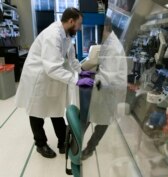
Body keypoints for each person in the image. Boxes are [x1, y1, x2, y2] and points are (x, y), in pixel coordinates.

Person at [15, 8, 94, 159]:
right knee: (37, 112)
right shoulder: (53, 35)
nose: (79, 27)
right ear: (71, 21)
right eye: (79, 24)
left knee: (55, 108)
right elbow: (52, 67)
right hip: (38, 77)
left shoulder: (67, 34)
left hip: (50, 76)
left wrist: (81, 71)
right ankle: (40, 144)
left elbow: (71, 59)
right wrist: (76, 79)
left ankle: (62, 141)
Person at [80, 18, 127, 160]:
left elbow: (108, 76)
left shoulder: (113, 47)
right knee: (90, 114)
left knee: (102, 120)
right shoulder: (108, 42)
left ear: (106, 28)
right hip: (105, 86)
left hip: (110, 88)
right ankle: (77, 139)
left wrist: (90, 78)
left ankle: (89, 148)